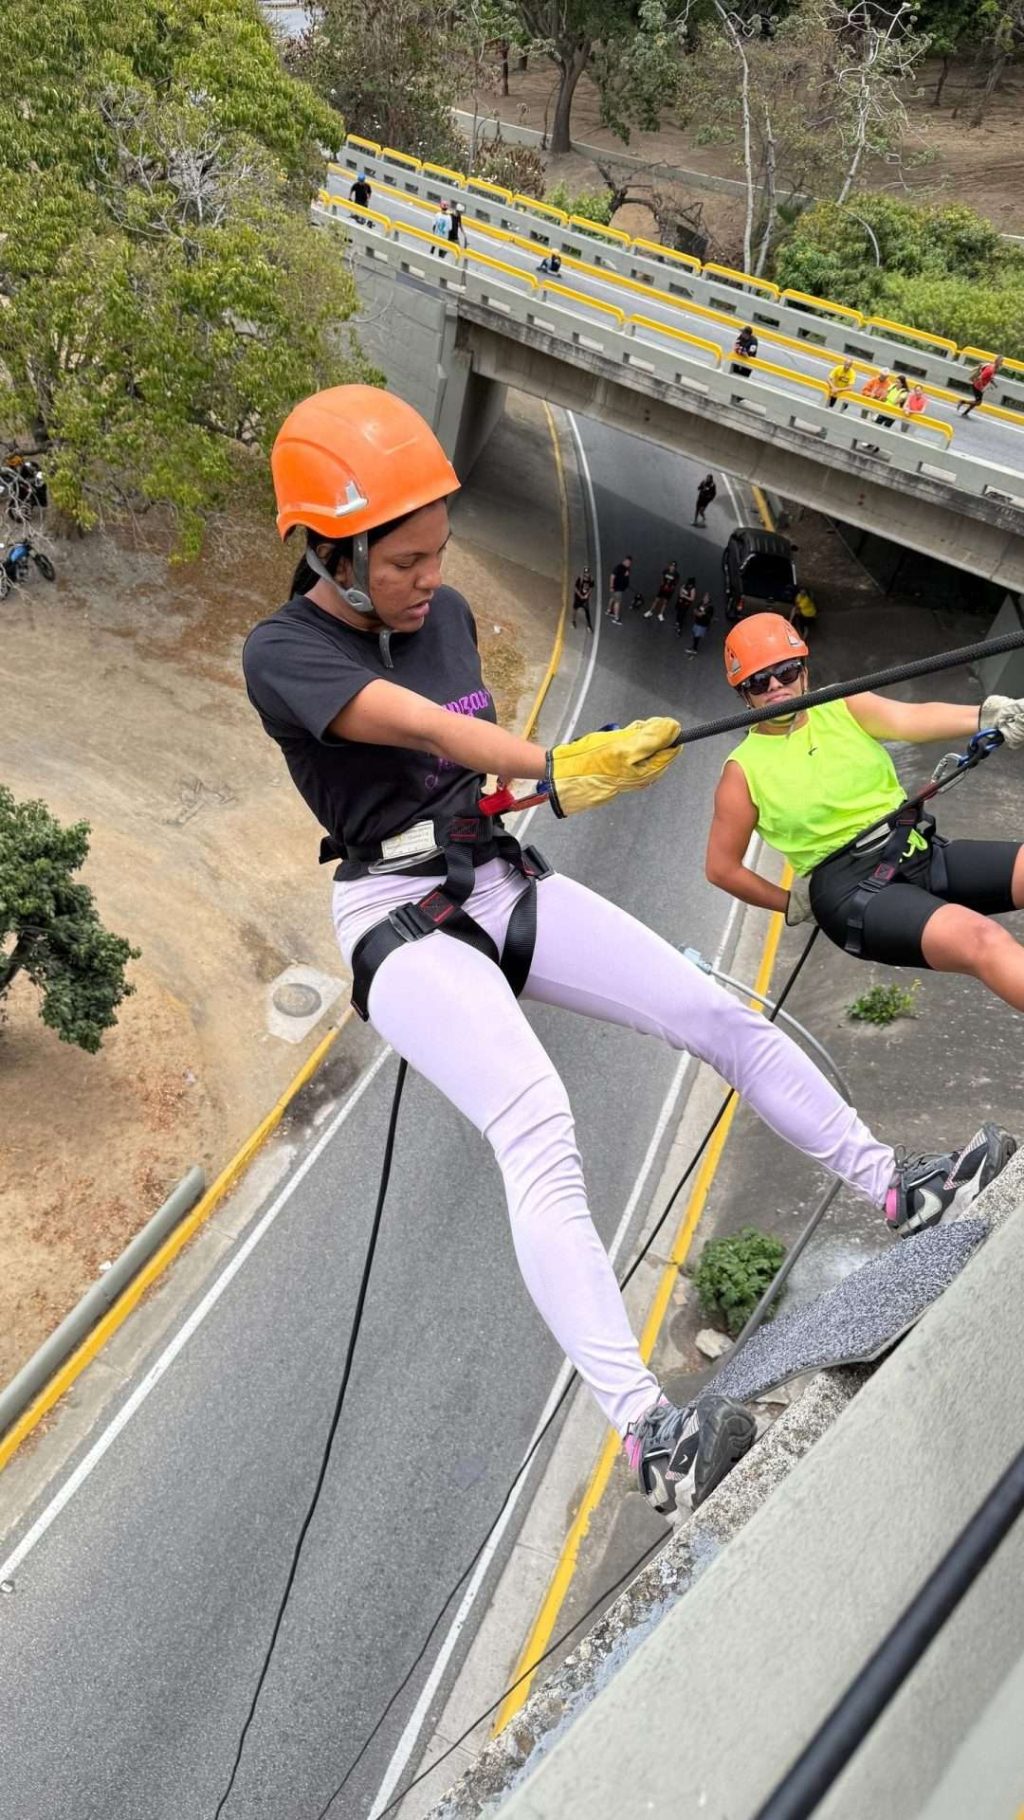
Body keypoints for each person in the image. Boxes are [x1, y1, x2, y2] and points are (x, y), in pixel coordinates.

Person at [244, 388, 1012, 1518]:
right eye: (402, 561)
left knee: (715, 1010)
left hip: (494, 869)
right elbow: (419, 730)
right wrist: (562, 762)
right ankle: (653, 1435)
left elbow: (473, 776)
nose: (425, 578)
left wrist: (550, 776)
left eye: (434, 554)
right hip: (397, 920)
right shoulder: (285, 650)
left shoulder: (444, 617)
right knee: (539, 1123)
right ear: (330, 548)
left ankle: (897, 1186)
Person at [705, 612, 1024, 1019]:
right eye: (758, 681)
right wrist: (791, 903)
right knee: (983, 940)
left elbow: (909, 719)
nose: (775, 688)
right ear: (743, 695)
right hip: (849, 889)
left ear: (803, 670)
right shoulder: (742, 771)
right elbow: (721, 868)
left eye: (785, 672)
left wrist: (988, 716)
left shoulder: (838, 704)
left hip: (915, 848)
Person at [958, 355, 1003, 419]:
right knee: (978, 403)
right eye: (1001, 361)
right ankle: (962, 401)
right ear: (997, 362)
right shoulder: (990, 369)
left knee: (976, 401)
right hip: (978, 386)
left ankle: (965, 413)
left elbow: (989, 378)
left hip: (980, 387)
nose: (1002, 363)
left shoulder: (994, 369)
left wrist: (993, 383)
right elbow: (980, 377)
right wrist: (981, 387)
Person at [688, 590, 714, 657]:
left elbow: (700, 614)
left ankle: (694, 649)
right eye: (704, 597)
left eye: (706, 598)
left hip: (702, 624)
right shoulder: (701, 603)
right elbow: (695, 610)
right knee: (694, 634)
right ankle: (693, 647)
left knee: (697, 636)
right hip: (697, 622)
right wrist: (697, 613)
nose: (704, 599)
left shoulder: (709, 607)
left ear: (709, 599)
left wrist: (698, 613)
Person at [606, 554, 632, 623]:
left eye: (630, 563)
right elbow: (612, 576)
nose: (629, 564)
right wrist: (611, 586)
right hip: (617, 588)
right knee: (617, 602)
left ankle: (609, 610)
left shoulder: (626, 568)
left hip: (616, 587)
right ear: (625, 561)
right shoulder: (619, 567)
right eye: (628, 563)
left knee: (612, 598)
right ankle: (616, 618)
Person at [572, 567, 595, 632]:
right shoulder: (580, 579)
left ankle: (589, 625)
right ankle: (573, 621)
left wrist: (587, 595)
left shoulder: (591, 579)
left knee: (587, 611)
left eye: (588, 573)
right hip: (578, 598)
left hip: (585, 599)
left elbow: (591, 588)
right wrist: (581, 596)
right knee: (575, 609)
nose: (586, 575)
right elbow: (575, 588)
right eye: (585, 573)